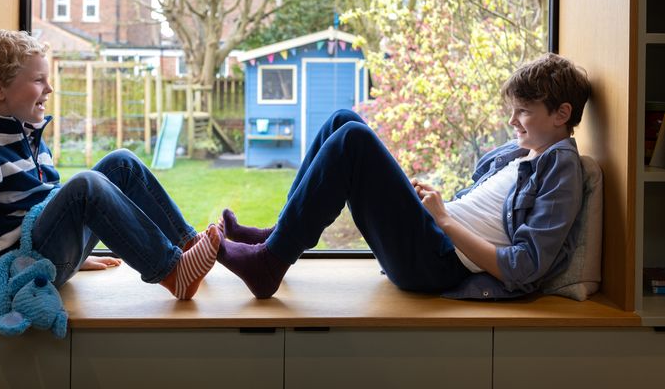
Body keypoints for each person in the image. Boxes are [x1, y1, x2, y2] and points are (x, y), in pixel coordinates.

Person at [217, 53, 592, 300]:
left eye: (523, 111)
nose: (512, 120)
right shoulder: (524, 152)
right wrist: (437, 205)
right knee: (342, 120)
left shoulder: (561, 168)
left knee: (353, 140)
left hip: (437, 264)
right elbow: (486, 215)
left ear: (561, 114)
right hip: (433, 239)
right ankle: (280, 236)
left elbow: (525, 266)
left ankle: (270, 263)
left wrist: (444, 220)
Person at [0, 29, 220, 301]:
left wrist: (75, 255)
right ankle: (172, 273)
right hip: (24, 272)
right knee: (86, 185)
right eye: (38, 80)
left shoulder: (31, 138)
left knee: (122, 163)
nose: (49, 88)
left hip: (51, 254)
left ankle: (186, 245)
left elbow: (49, 208)